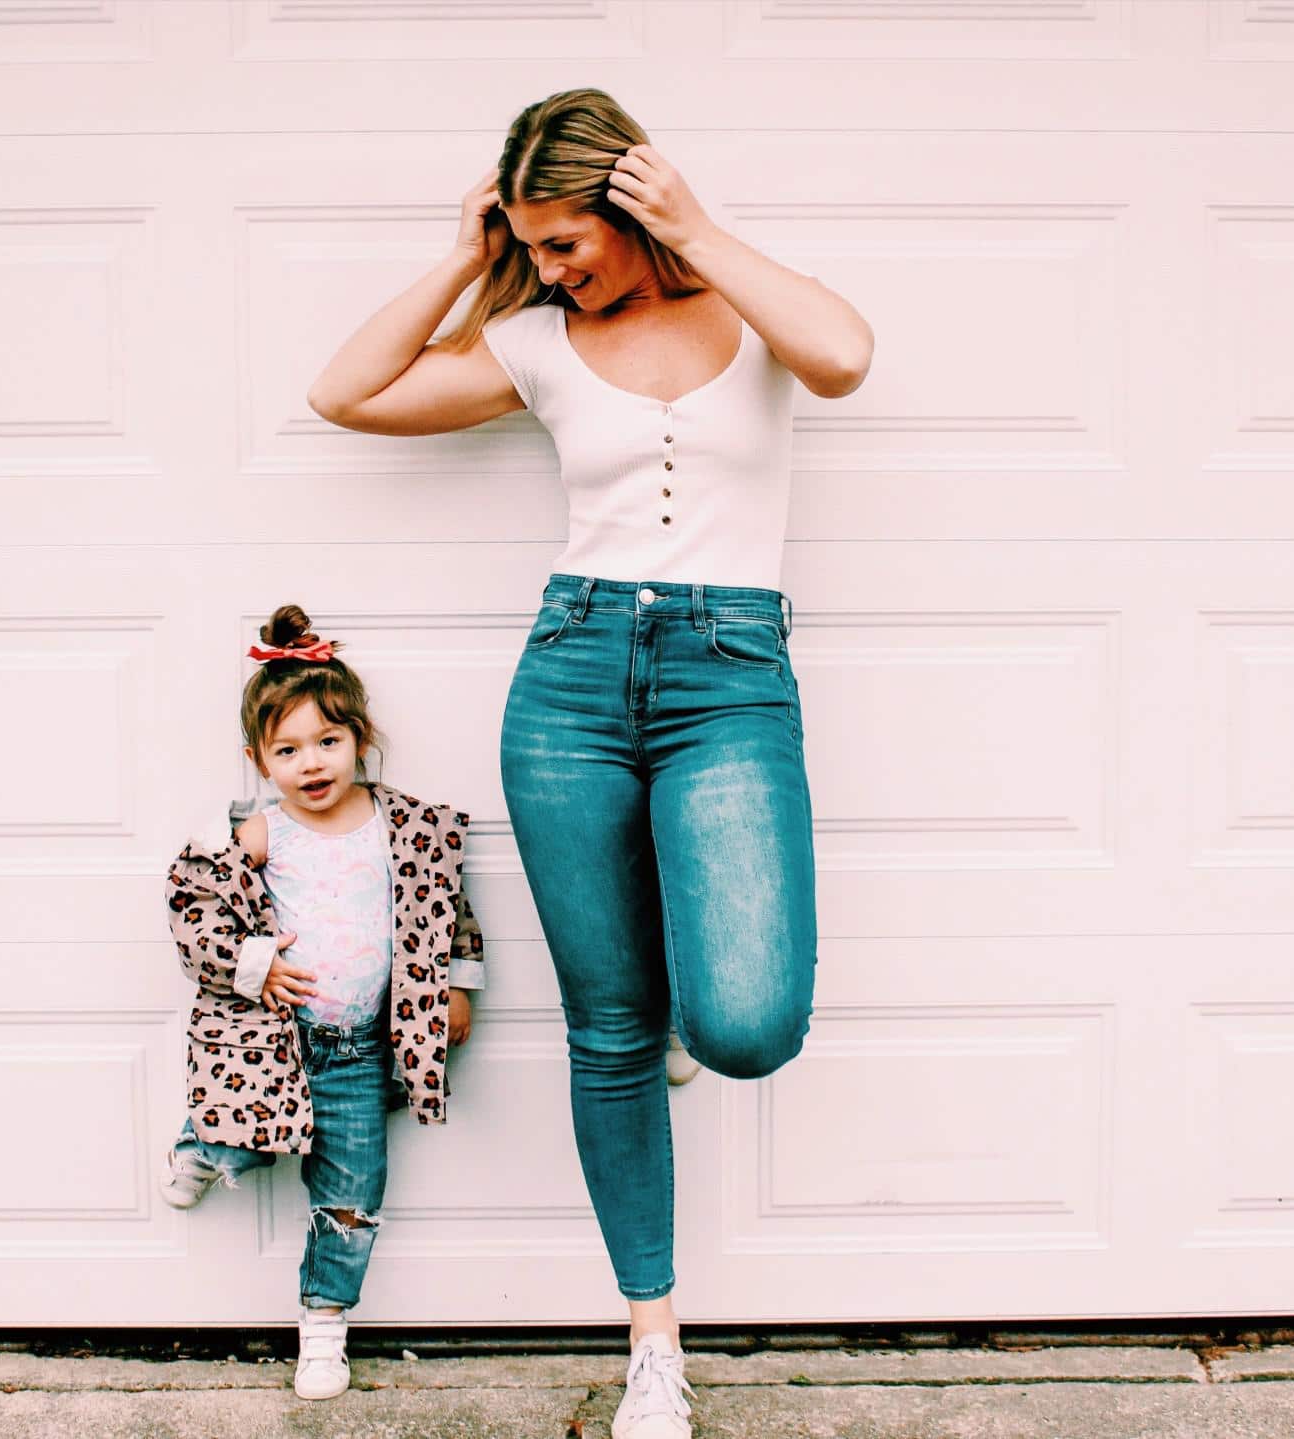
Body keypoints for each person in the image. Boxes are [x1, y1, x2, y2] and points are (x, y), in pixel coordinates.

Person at [305, 87, 874, 1439]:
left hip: (727, 676)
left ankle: (679, 995)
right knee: (605, 1029)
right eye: (533, 244)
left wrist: (697, 226)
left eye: (567, 239)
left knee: (744, 1022)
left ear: (630, 204)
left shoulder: (749, 307)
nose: (550, 266)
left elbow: (845, 355)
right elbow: (343, 392)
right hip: (567, 676)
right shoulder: (536, 339)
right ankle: (652, 1342)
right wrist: (468, 254)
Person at [159, 603, 485, 1402]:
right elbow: (191, 903)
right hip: (275, 1039)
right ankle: (205, 1141)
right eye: (288, 748)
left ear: (360, 738)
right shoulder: (259, 832)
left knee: (350, 1193)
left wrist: (454, 985)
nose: (312, 763)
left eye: (328, 742)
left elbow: (451, 906)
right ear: (257, 758)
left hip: (358, 1051)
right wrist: (252, 964)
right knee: (242, 1138)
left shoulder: (401, 827)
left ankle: (324, 1323)